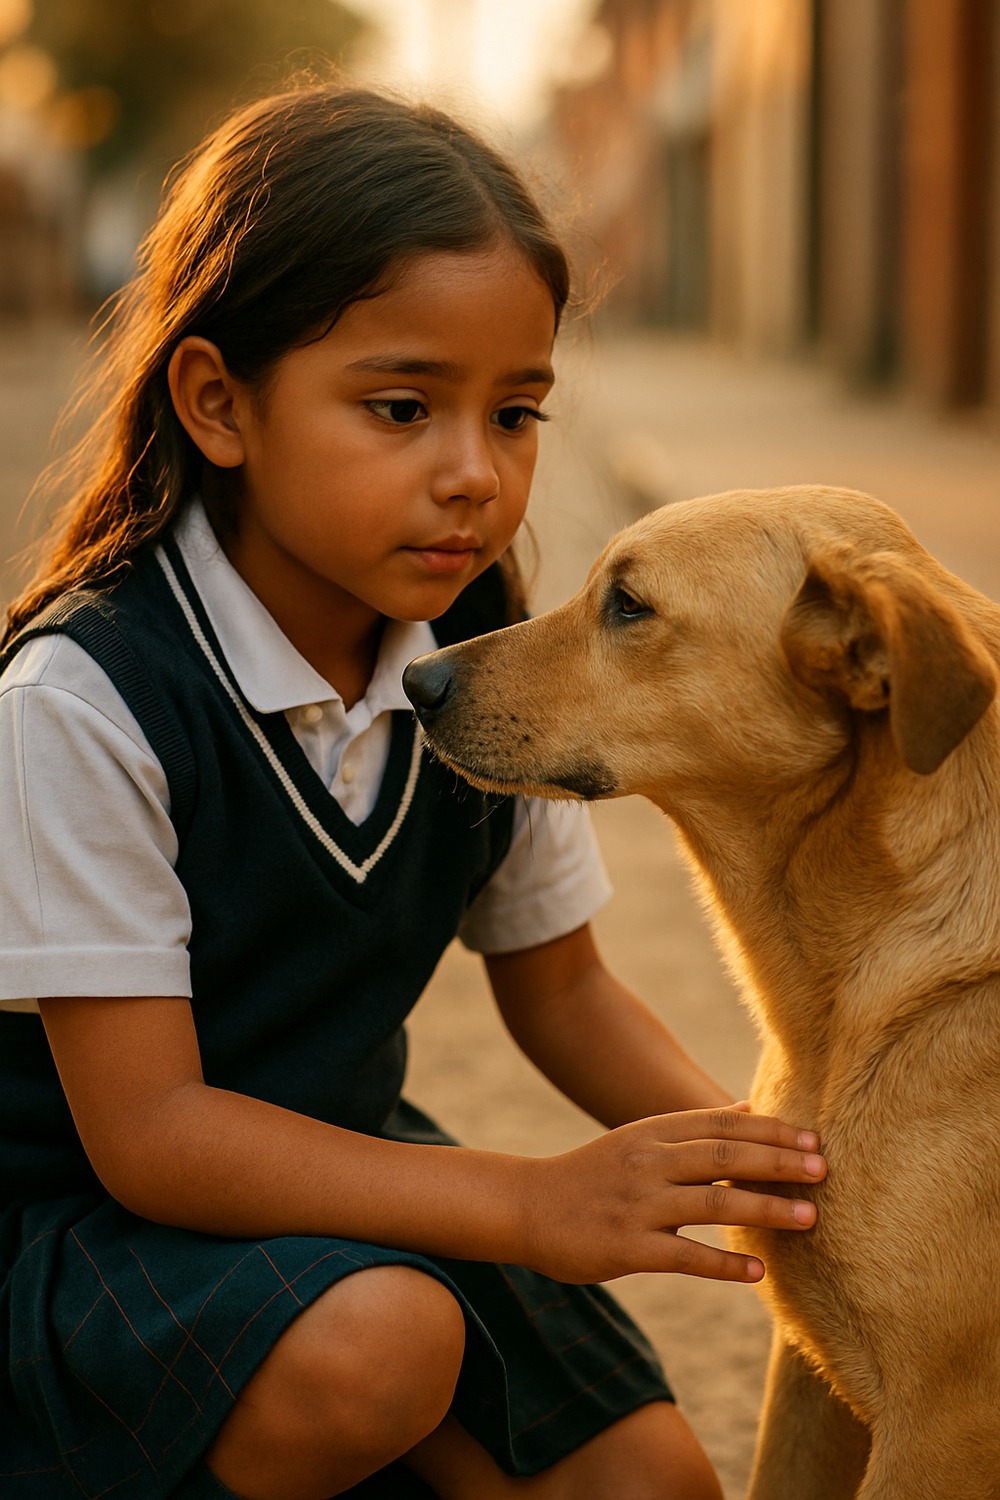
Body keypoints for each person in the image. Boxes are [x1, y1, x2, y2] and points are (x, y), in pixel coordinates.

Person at [0, 83, 827, 1500]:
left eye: (516, 415)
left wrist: (788, 1183)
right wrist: (529, 1201)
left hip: (352, 1185)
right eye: (401, 408)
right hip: (91, 1231)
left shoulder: (481, 667)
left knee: (656, 1487)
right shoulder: (82, 702)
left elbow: (563, 994)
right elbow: (155, 1139)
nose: (473, 476)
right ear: (218, 403)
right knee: (385, 1341)